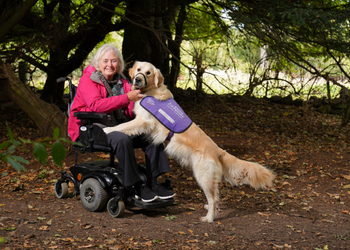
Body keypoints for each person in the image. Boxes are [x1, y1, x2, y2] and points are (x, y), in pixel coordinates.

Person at [68, 43, 175, 202]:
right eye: (105, 61)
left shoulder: (123, 82)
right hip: (91, 127)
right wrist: (127, 98)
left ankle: (153, 182)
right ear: (98, 63)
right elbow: (95, 106)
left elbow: (132, 110)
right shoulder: (88, 80)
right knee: (122, 138)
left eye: (113, 61)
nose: (109, 65)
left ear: (119, 64)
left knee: (152, 137)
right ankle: (137, 186)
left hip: (118, 125)